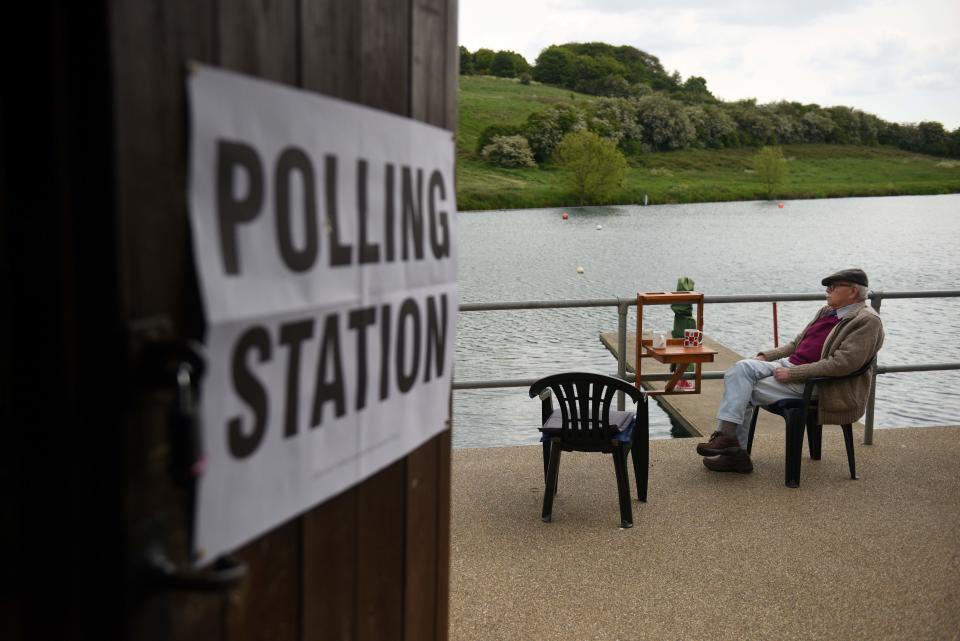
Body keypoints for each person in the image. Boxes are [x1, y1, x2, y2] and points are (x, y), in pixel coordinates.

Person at [697, 268, 884, 473]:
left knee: (742, 389)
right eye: (827, 286)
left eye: (834, 286)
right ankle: (728, 441)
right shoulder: (826, 312)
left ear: (853, 291)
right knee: (740, 370)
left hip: (820, 384)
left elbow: (842, 364)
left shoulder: (866, 321)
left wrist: (794, 374)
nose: (827, 290)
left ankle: (733, 451)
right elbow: (796, 344)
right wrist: (765, 356)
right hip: (789, 366)